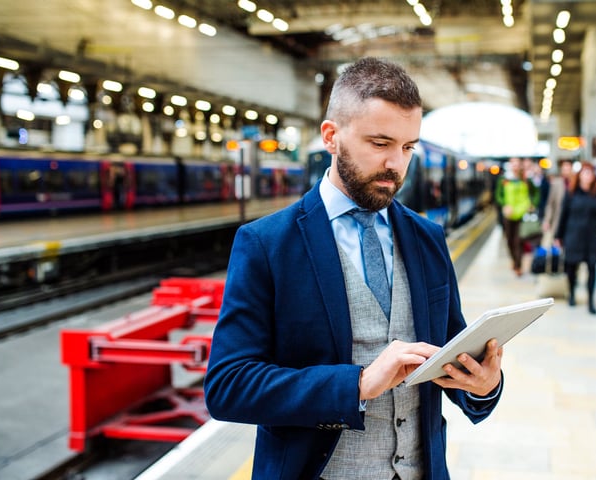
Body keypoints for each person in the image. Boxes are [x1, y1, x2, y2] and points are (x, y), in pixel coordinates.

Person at [204, 57, 503, 480]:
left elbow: (454, 353)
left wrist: (484, 384)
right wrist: (357, 384)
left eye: (408, 147)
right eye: (380, 144)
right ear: (331, 136)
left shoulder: (427, 238)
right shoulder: (267, 243)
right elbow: (228, 386)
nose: (396, 164)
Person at [554, 161, 596, 315]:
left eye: (590, 173)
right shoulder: (571, 193)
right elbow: (563, 215)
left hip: (592, 237)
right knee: (571, 267)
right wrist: (559, 236)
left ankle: (591, 301)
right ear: (580, 175)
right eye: (585, 172)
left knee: (592, 268)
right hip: (573, 236)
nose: (588, 176)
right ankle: (572, 294)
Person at [495, 157, 535, 276]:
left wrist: (532, 204)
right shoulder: (504, 179)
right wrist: (504, 205)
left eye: (518, 164)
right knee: (509, 240)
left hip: (522, 214)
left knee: (518, 241)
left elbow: (535, 193)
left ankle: (518, 265)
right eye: (513, 164)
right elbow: (498, 195)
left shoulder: (526, 179)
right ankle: (514, 259)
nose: (516, 166)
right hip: (509, 214)